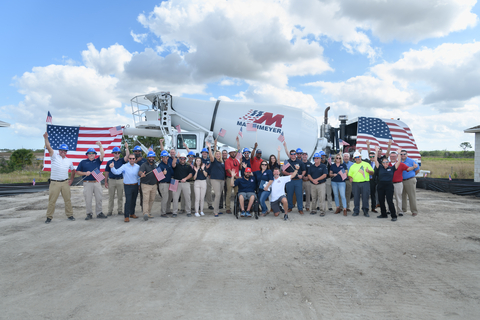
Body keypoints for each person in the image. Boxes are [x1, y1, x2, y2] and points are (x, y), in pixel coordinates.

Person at [43, 132, 76, 224]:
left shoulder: (69, 161)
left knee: (67, 200)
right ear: (59, 151)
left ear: (66, 152)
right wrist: (46, 138)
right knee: (52, 201)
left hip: (65, 182)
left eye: (65, 151)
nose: (63, 152)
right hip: (55, 183)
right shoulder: (54, 157)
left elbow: (73, 171)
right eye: (61, 150)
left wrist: (71, 179)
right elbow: (49, 147)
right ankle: (49, 217)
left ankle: (70, 215)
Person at [76, 142, 106, 220]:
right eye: (90, 153)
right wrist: (85, 173)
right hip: (87, 183)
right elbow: (77, 172)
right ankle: (89, 214)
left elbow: (102, 154)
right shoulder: (83, 162)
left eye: (93, 153)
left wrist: (100, 146)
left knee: (99, 199)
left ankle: (99, 213)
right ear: (87, 154)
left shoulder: (97, 161)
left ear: (95, 154)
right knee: (88, 199)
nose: (91, 154)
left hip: (97, 182)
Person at [373, 147, 403, 221]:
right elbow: (375, 160)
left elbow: (399, 161)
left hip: (389, 186)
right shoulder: (379, 167)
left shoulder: (392, 168)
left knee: (390, 201)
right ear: (382, 163)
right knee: (381, 200)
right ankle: (384, 214)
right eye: (384, 162)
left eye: (387, 162)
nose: (385, 163)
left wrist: (399, 153)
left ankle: (394, 216)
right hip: (380, 186)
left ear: (388, 162)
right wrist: (376, 151)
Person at [109, 154, 140, 222]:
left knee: (134, 201)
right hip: (127, 186)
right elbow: (116, 172)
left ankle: (132, 213)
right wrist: (112, 168)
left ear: (135, 159)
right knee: (128, 201)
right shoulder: (124, 166)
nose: (132, 160)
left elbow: (138, 177)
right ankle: (126, 216)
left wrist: (139, 185)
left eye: (133, 158)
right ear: (128, 159)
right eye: (130, 158)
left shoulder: (138, 167)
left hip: (135, 185)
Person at [389, 151, 417, 217]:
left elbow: (408, 168)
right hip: (389, 184)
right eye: (391, 156)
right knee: (389, 198)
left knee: (399, 198)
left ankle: (400, 211)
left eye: (394, 156)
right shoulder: (387, 164)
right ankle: (389, 210)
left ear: (397, 157)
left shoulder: (400, 164)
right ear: (389, 157)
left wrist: (413, 167)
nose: (393, 157)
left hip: (399, 183)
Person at [104, 144, 130, 216]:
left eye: (118, 152)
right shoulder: (109, 162)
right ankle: (110, 211)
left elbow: (127, 156)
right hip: (111, 180)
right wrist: (106, 182)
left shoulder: (122, 160)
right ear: (113, 153)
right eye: (116, 153)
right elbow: (107, 172)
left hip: (120, 180)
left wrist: (127, 147)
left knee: (120, 196)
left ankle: (120, 210)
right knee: (111, 197)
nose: (117, 154)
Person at [348, 151, 375, 217]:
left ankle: (365, 211)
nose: (357, 158)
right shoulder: (352, 166)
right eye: (356, 157)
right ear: (354, 158)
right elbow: (349, 175)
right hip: (355, 183)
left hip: (365, 183)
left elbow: (372, 172)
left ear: (361, 157)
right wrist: (350, 178)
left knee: (365, 197)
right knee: (356, 197)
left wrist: (369, 171)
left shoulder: (366, 164)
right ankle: (356, 210)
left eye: (359, 157)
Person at [367, 139, 392, 211]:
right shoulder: (374, 158)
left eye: (380, 151)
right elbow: (370, 153)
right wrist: (368, 145)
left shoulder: (383, 158)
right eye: (378, 151)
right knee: (373, 193)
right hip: (372, 178)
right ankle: (373, 206)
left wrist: (389, 145)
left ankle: (380, 204)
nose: (379, 152)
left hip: (380, 178)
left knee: (380, 193)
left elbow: (387, 153)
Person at [282, 145, 306, 214]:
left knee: (299, 195)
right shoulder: (287, 162)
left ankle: (300, 209)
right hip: (289, 181)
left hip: (298, 181)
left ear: (296, 155)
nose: (293, 155)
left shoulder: (300, 162)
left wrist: (302, 175)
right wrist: (289, 173)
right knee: (289, 194)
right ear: (290, 155)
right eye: (291, 154)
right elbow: (283, 171)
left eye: (294, 154)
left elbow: (304, 170)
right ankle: (290, 207)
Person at [207, 139, 225, 217]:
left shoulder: (222, 162)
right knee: (217, 194)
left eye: (219, 154)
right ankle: (215, 212)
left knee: (219, 194)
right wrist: (209, 148)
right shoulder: (213, 160)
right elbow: (211, 155)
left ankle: (217, 210)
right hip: (215, 180)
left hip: (222, 180)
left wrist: (215, 144)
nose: (218, 155)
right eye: (216, 154)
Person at [171, 152, 194, 217]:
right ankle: (174, 212)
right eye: (181, 158)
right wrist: (176, 157)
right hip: (176, 182)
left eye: (184, 158)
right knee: (175, 198)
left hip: (186, 183)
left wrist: (185, 178)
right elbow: (173, 164)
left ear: (185, 159)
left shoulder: (188, 166)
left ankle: (188, 212)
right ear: (179, 159)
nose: (182, 160)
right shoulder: (177, 165)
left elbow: (190, 174)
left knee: (187, 198)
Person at [139, 151, 159, 221]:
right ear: (147, 158)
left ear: (154, 158)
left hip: (154, 185)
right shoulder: (144, 165)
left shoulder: (155, 166)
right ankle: (145, 213)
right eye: (150, 157)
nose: (151, 158)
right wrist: (141, 174)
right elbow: (140, 172)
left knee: (152, 199)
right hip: (146, 185)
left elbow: (159, 176)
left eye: (152, 157)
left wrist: (163, 173)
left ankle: (149, 213)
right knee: (146, 199)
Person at [401, 150, 420, 216]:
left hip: (410, 180)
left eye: (404, 154)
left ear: (407, 154)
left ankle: (414, 211)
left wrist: (411, 175)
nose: (403, 155)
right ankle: (403, 209)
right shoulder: (398, 161)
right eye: (401, 154)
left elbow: (417, 170)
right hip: (401, 181)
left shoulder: (412, 161)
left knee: (411, 196)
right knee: (402, 196)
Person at [157, 150, 174, 218]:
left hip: (170, 182)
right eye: (163, 157)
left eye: (166, 157)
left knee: (170, 197)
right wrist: (162, 174)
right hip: (163, 184)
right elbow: (158, 177)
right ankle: (163, 212)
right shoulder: (159, 165)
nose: (165, 158)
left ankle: (168, 210)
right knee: (165, 198)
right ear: (161, 157)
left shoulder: (169, 163)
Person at [224, 147, 240, 214]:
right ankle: (228, 207)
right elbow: (228, 169)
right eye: (232, 152)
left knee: (237, 193)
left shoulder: (237, 160)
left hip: (236, 179)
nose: (233, 153)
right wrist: (234, 176)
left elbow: (239, 168)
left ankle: (237, 206)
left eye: (234, 152)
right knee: (229, 194)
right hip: (230, 178)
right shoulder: (227, 160)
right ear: (229, 153)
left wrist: (241, 163)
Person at [133, 145, 147, 211]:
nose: (137, 152)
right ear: (134, 152)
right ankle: (132, 210)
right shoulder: (131, 160)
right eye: (136, 151)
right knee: (133, 196)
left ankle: (143, 208)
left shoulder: (144, 160)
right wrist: (136, 161)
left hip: (142, 181)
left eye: (139, 151)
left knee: (143, 196)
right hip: (133, 181)